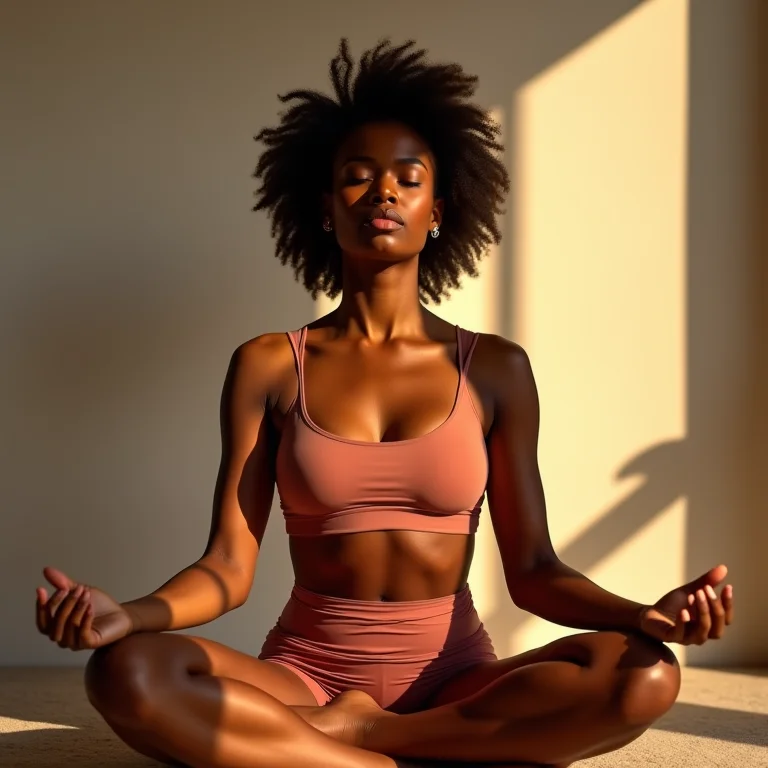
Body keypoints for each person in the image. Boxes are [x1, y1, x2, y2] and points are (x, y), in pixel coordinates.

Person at [35, 39, 734, 768]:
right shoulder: (270, 364)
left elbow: (533, 571)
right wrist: (127, 615)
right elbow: (226, 569)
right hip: (304, 677)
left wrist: (643, 614)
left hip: (455, 679)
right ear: (325, 207)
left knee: (642, 672)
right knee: (127, 672)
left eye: (408, 177)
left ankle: (361, 746)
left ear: (438, 209)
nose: (384, 192)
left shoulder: (494, 369)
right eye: (357, 177)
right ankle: (403, 753)